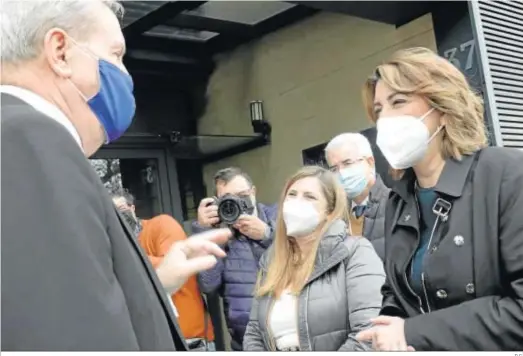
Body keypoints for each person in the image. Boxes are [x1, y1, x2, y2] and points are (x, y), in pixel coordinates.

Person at [1, 0, 230, 351]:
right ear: (60, 52)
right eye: (117, 55)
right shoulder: (27, 139)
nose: (125, 75)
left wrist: (153, 282)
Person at [355, 47, 523, 351]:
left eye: (399, 102)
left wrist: (414, 332)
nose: (385, 120)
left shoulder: (506, 174)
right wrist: (389, 325)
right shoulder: (400, 198)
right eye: (378, 110)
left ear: (442, 108)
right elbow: (397, 290)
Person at [243, 166, 385, 351]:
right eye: (291, 194)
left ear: (330, 210)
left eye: (309, 197)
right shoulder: (271, 260)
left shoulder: (355, 252)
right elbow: (254, 332)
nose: (296, 202)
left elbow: (368, 332)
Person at [111, 190, 216, 351]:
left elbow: (173, 268)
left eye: (120, 209)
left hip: (189, 341)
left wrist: (121, 256)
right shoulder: (113, 248)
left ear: (132, 208)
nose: (117, 217)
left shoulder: (161, 224)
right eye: (111, 214)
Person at [193, 167, 278, 351]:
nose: (236, 203)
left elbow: (304, 258)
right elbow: (208, 285)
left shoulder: (278, 217)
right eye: (228, 199)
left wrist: (266, 234)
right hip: (245, 342)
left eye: (241, 195)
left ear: (253, 192)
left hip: (288, 335)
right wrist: (206, 232)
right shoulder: (221, 234)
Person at [325, 132, 390, 260]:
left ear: (370, 162)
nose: (341, 173)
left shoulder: (396, 205)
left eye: (347, 163)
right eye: (334, 169)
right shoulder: (334, 218)